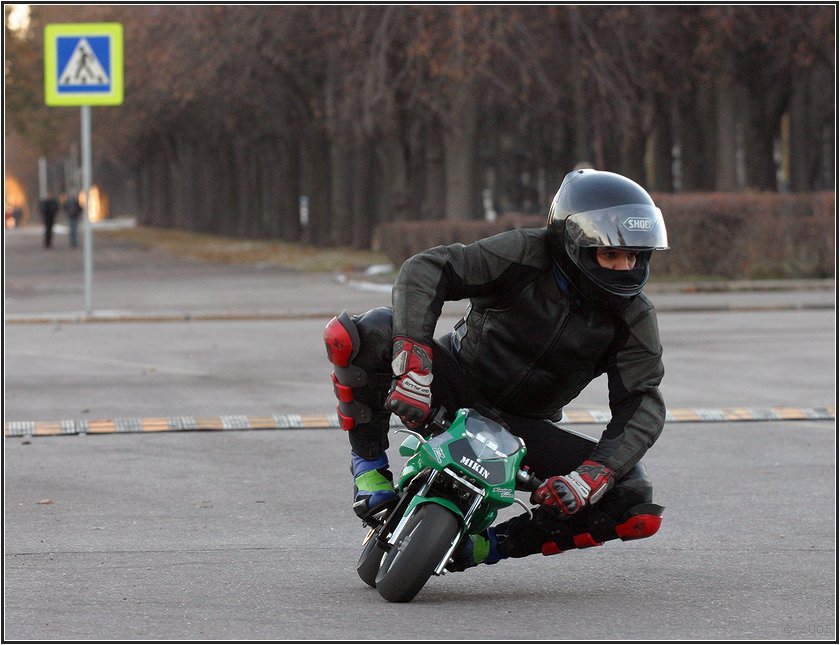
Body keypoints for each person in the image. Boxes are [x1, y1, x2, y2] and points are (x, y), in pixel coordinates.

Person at [324, 169, 669, 571]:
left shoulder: (634, 315)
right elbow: (428, 269)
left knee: (633, 499)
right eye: (611, 255)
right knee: (366, 332)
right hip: (452, 382)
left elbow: (643, 399)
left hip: (523, 426)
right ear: (573, 243)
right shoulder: (525, 253)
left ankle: (490, 546)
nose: (625, 269)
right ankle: (369, 469)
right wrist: (414, 366)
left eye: (634, 257)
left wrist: (594, 475)